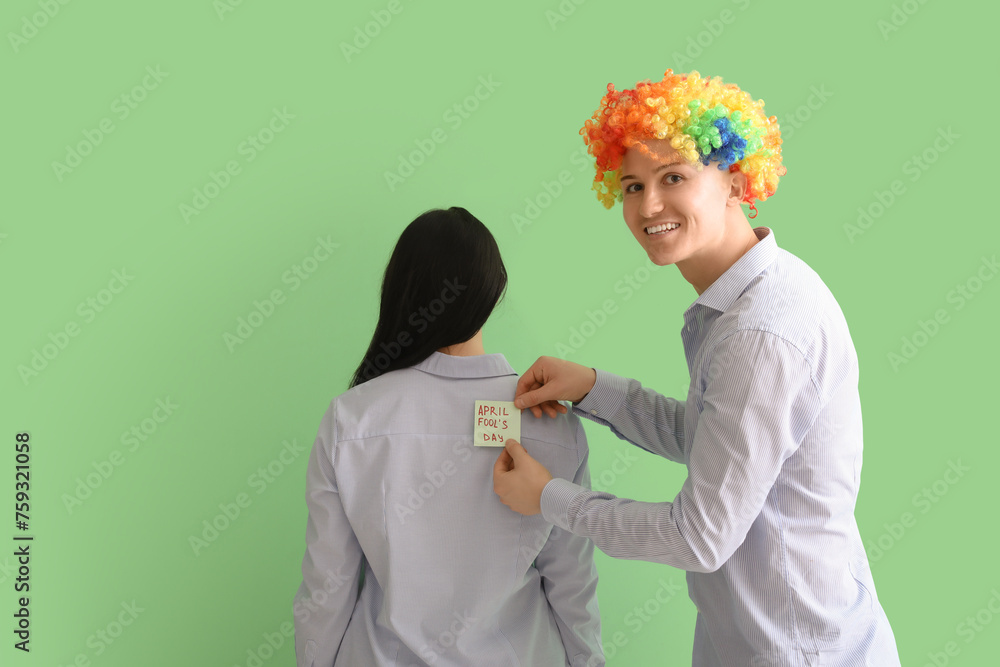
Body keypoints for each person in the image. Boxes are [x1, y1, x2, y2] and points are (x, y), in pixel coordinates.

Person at [492, 69, 902, 666]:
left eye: (673, 177)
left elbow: (699, 535)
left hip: (794, 651)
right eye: (631, 185)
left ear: (735, 182)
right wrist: (595, 390)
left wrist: (549, 498)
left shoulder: (758, 332)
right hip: (763, 637)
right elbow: (726, 449)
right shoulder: (757, 295)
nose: (648, 205)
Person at [293, 207, 604, 666]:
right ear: (492, 292)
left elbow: (327, 587)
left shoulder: (351, 419)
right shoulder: (551, 420)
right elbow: (573, 585)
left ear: (399, 290)